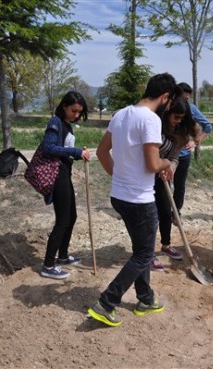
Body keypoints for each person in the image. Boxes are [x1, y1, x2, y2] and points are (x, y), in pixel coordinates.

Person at [88, 73, 177, 327]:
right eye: (169, 102)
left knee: (141, 249)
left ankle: (145, 299)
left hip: (120, 195)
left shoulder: (121, 114)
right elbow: (152, 164)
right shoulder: (150, 119)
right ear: (165, 97)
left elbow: (102, 152)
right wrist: (166, 162)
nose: (168, 107)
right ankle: (106, 303)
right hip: (139, 199)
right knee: (144, 254)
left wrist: (120, 177)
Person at [39, 91, 91, 279]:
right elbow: (48, 147)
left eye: (79, 112)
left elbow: (63, 150)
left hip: (64, 173)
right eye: (73, 110)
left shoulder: (67, 125)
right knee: (62, 220)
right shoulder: (55, 122)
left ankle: (62, 256)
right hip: (56, 174)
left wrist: (77, 153)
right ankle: (48, 265)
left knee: (72, 216)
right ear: (64, 107)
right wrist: (75, 151)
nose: (76, 115)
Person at [151, 94, 200, 271]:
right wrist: (159, 165)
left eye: (182, 118)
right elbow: (148, 153)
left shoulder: (181, 132)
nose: (178, 121)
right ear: (168, 113)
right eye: (175, 117)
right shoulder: (156, 126)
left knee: (165, 210)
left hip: (162, 174)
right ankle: (147, 253)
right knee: (150, 214)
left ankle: (165, 244)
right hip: (146, 174)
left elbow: (174, 157)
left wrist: (169, 166)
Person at [169, 82, 211, 251]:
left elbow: (207, 126)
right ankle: (165, 212)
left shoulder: (192, 109)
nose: (185, 100)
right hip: (165, 156)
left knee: (179, 186)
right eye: (183, 97)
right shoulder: (168, 109)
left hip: (183, 156)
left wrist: (195, 141)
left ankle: (175, 212)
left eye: (187, 97)